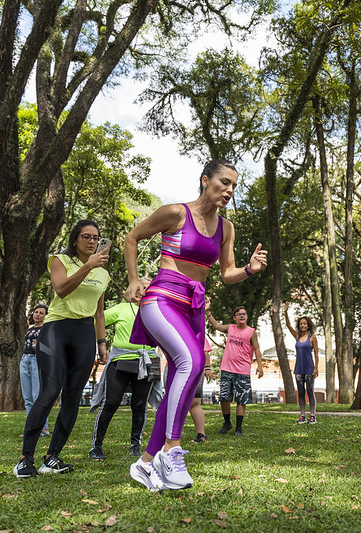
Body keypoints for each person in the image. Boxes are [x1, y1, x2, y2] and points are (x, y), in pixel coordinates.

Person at [123, 159, 268, 492]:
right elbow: (132, 237)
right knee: (194, 361)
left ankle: (145, 464)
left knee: (184, 382)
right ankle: (171, 450)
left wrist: (248, 269)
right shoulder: (176, 213)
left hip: (194, 309)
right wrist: (133, 279)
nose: (229, 190)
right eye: (224, 182)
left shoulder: (225, 228)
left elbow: (227, 274)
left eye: (234, 185)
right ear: (206, 181)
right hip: (162, 297)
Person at [13, 220, 110, 478]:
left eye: (96, 237)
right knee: (49, 392)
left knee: (72, 398)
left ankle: (52, 457)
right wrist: (88, 266)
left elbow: (99, 313)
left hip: (84, 333)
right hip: (56, 329)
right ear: (75, 239)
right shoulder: (60, 260)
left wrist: (102, 343)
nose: (92, 241)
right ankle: (26, 459)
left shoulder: (103, 273)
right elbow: (62, 290)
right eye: (86, 236)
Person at [89, 277, 163, 460]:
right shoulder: (122, 308)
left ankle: (135, 445)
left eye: (148, 288)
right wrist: (102, 344)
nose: (143, 292)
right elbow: (97, 320)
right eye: (140, 288)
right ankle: (96, 446)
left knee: (139, 405)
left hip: (147, 362)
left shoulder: (157, 311)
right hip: (121, 360)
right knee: (111, 402)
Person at [207, 304, 264, 435]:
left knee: (241, 400)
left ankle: (238, 428)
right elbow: (216, 326)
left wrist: (260, 366)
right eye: (239, 314)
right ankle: (227, 423)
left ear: (247, 317)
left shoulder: (251, 332)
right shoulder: (230, 328)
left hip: (242, 370)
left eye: (244, 314)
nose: (242, 316)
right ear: (235, 318)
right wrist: (208, 312)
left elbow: (256, 349)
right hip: (227, 369)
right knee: (224, 397)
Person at [283, 303, 319, 423]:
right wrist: (286, 311)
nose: (302, 325)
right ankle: (302, 416)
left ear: (308, 325)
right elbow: (288, 325)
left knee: (310, 391)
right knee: (301, 392)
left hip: (309, 368)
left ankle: (312, 416)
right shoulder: (297, 336)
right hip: (299, 368)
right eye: (300, 324)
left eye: (304, 323)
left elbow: (317, 354)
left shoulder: (312, 337)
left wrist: (316, 368)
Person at [20, 304, 49, 437]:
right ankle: (30, 429)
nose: (37, 314)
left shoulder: (47, 329)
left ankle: (44, 428)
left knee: (38, 396)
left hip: (37, 361)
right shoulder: (29, 329)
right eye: (36, 312)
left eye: (41, 313)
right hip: (25, 360)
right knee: (28, 398)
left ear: (45, 316)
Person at [188, 337, 214, 443]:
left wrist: (207, 368)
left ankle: (201, 434)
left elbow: (205, 352)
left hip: (195, 369)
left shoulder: (198, 332)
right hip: (176, 367)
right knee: (173, 402)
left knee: (194, 402)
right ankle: (170, 435)